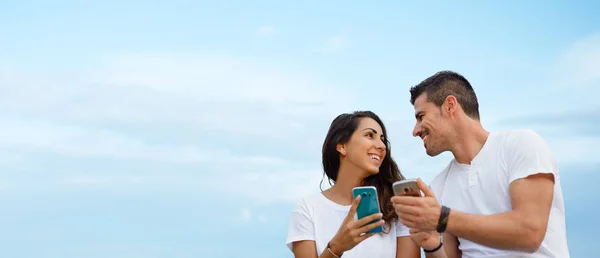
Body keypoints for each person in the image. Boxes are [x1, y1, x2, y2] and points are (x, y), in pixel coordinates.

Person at [391, 71, 570, 257]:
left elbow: (530, 233)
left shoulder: (521, 144)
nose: (415, 130)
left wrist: (442, 218)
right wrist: (432, 245)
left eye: (421, 116)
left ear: (450, 106)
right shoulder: (438, 187)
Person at [286, 111, 421, 258]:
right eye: (370, 135)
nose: (382, 145)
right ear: (342, 146)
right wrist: (336, 248)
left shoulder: (397, 206)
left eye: (382, 139)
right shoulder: (307, 209)